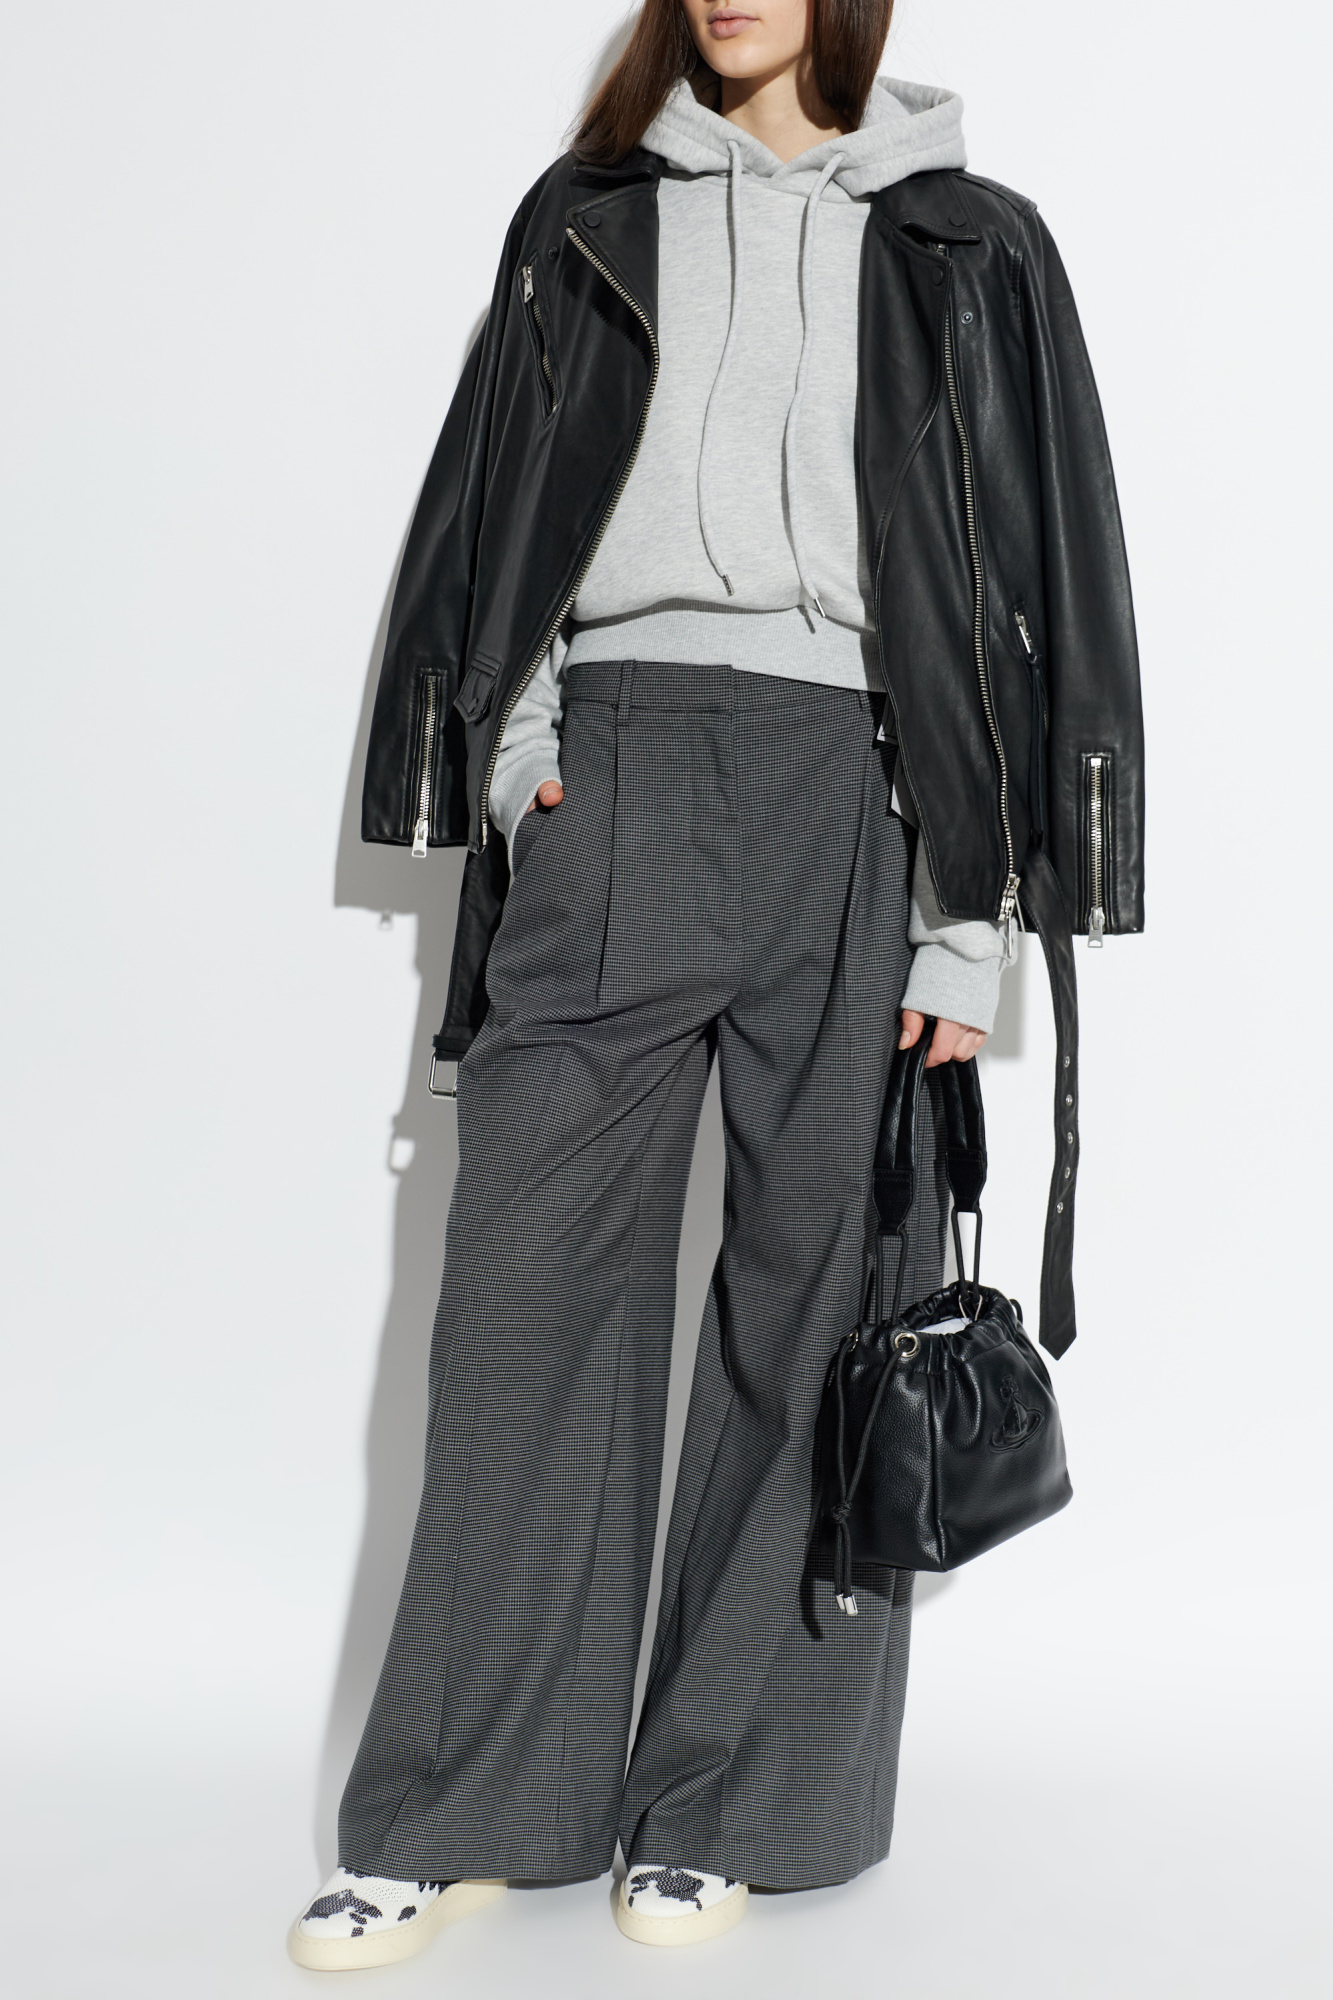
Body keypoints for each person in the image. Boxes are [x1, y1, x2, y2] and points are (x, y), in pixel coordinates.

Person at [289, 0, 1143, 1968]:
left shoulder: (970, 240)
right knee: (519, 1306)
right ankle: (459, 1803)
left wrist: (974, 915)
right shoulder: (591, 215)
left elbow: (1040, 575)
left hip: (868, 792)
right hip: (614, 774)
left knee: (816, 1306)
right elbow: (496, 500)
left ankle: (728, 1800)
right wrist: (516, 757)